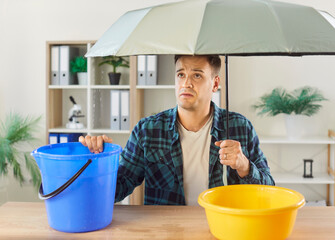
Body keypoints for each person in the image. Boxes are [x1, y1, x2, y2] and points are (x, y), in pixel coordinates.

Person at [80, 55, 274, 205]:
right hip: (167, 231)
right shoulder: (147, 130)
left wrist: (244, 166)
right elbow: (117, 190)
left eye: (197, 75)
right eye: (181, 74)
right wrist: (98, 161)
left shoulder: (240, 127)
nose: (186, 83)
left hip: (223, 229)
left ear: (215, 83)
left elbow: (269, 193)